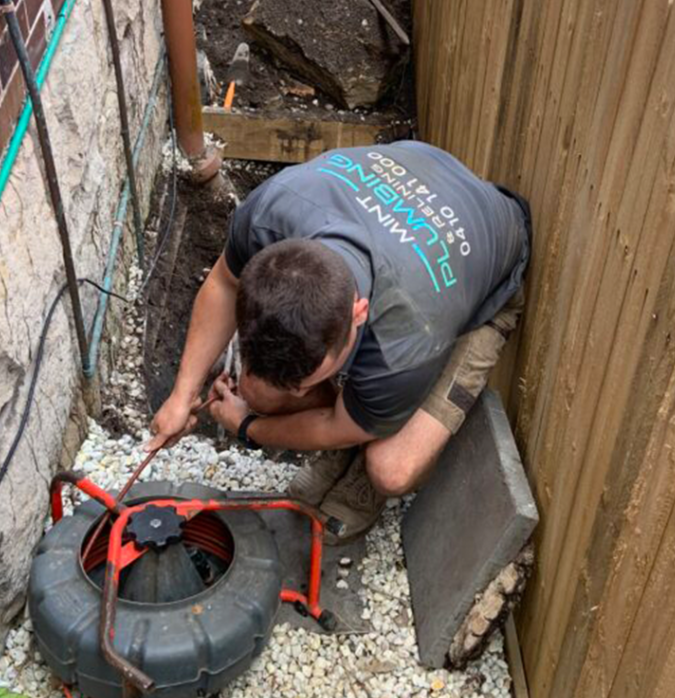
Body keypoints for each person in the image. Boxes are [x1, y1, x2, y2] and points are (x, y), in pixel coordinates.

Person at [152, 141, 531, 543]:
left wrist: (249, 426)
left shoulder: (404, 338)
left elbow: (339, 424)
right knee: (260, 390)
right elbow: (224, 283)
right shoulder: (269, 217)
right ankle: (364, 424)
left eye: (306, 380)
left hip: (484, 289)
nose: (299, 392)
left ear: (358, 312)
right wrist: (181, 396)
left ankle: (367, 452)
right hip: (422, 179)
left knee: (390, 467)